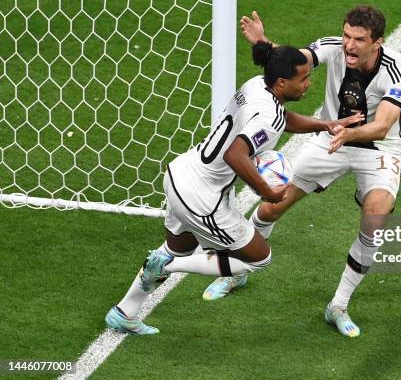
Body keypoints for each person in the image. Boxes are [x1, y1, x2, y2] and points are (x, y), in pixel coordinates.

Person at [105, 41, 363, 335]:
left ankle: (124, 311)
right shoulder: (270, 117)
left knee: (177, 247)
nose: (308, 83)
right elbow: (236, 154)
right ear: (281, 82)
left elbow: (282, 118)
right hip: (202, 197)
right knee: (257, 258)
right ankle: (167, 268)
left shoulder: (257, 85)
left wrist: (324, 124)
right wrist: (266, 190)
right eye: (303, 78)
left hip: (179, 174)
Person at [204, 5, 401, 338]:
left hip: (378, 149)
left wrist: (349, 132)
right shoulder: (333, 47)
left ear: (378, 42)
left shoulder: (398, 69)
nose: (349, 45)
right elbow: (292, 62)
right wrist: (263, 43)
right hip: (329, 138)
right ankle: (238, 270)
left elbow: (383, 125)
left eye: (359, 39)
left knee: (376, 215)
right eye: (347, 35)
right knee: (271, 204)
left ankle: (338, 306)